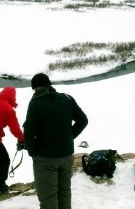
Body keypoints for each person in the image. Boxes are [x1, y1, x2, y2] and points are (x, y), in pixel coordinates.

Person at [23, 73, 88, 209]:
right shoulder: (67, 98)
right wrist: (69, 137)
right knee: (64, 192)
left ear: (35, 88)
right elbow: (83, 120)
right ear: (49, 85)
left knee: (48, 197)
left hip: (45, 159)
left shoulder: (35, 103)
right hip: (66, 156)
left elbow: (28, 134)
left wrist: (33, 152)